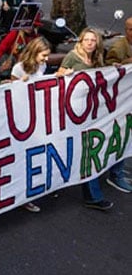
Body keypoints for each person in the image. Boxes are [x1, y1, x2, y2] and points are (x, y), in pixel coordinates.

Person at [56, 28, 130, 207]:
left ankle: (113, 175)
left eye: (93, 40)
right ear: (80, 41)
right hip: (77, 112)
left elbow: (101, 77)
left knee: (113, 137)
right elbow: (57, 77)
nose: (89, 43)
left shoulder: (97, 58)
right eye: (86, 40)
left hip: (95, 110)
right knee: (88, 151)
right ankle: (93, 196)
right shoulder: (72, 57)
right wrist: (63, 75)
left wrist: (113, 69)